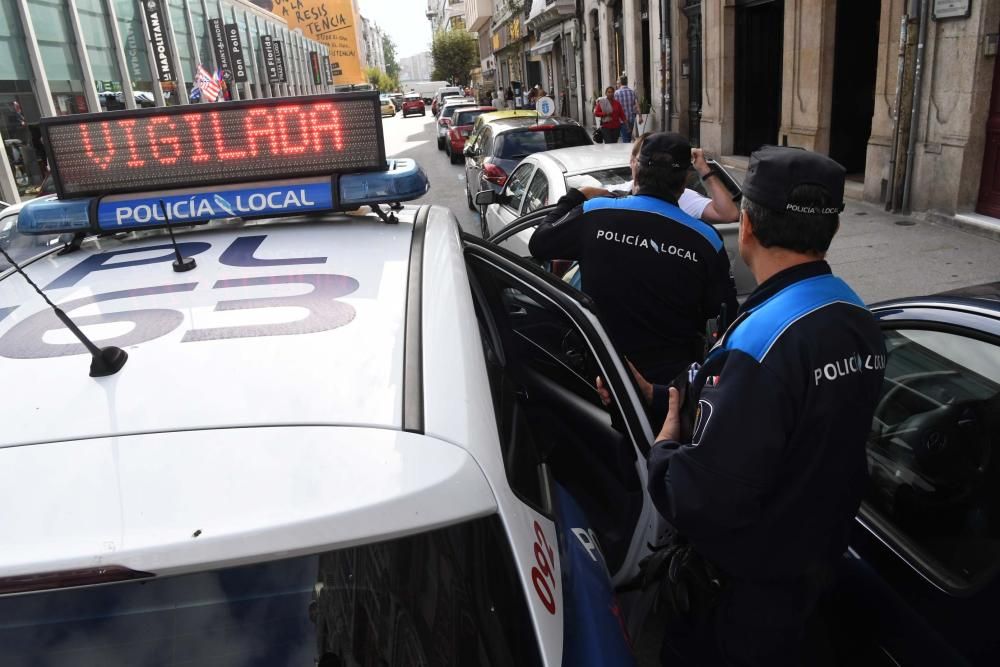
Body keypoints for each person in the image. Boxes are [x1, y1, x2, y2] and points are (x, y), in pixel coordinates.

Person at [642, 146, 886, 665]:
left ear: (746, 225)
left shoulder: (760, 343)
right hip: (815, 569)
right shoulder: (857, 317)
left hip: (744, 595)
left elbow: (701, 499)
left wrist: (664, 447)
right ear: (832, 232)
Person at [529, 132, 737, 384]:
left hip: (603, 373)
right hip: (673, 384)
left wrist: (577, 196)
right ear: (683, 182)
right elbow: (723, 314)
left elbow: (539, 243)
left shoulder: (595, 213)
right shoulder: (706, 239)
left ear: (636, 172)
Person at [609, 133, 739, 223]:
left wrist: (704, 170)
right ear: (632, 161)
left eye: (663, 161)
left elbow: (729, 214)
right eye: (647, 160)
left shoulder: (686, 197)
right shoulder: (611, 194)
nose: (656, 167)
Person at [614, 75, 641, 143]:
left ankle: (627, 152)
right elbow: (637, 105)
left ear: (620, 82)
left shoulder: (617, 93)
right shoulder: (632, 92)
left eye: (618, 81)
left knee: (625, 139)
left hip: (622, 120)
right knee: (628, 138)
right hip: (631, 119)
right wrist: (640, 117)